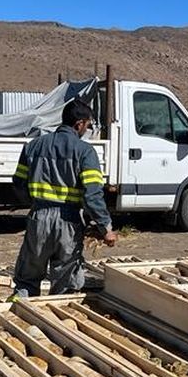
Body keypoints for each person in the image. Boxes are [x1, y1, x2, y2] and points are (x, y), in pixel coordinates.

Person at [10, 99, 116, 299]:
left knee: (27, 279)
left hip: (38, 218)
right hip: (69, 222)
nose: (87, 130)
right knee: (66, 283)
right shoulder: (85, 151)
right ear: (79, 124)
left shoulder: (34, 146)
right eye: (88, 125)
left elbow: (18, 183)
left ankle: (17, 308)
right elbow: (92, 195)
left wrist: (35, 205)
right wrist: (106, 228)